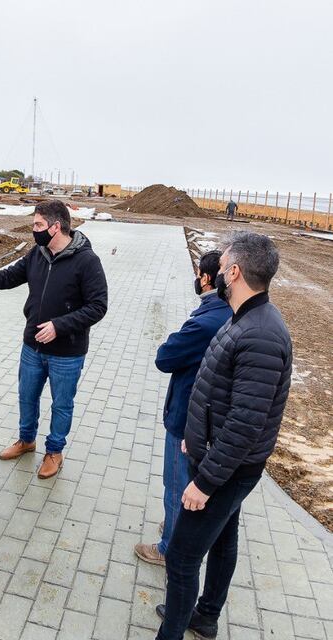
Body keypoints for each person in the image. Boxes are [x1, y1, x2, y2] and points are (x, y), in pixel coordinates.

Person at [156, 232, 292, 640]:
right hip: (218, 459)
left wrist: (204, 481)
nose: (214, 273)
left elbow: (246, 425)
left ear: (233, 272)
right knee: (222, 538)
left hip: (226, 471)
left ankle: (174, 631)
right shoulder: (244, 317)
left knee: (181, 558)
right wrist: (195, 436)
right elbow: (224, 397)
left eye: (222, 266)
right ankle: (206, 615)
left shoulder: (261, 334)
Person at [0, 200, 107, 479]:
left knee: (62, 404)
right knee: (26, 396)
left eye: (38, 225)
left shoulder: (87, 261)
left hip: (67, 352)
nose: (34, 230)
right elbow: (8, 278)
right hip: (32, 346)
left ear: (56, 227)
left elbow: (98, 306)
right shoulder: (37, 254)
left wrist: (59, 326)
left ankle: (54, 451)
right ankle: (26, 440)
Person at [134, 251, 231, 567]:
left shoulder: (204, 322)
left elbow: (165, 358)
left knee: (176, 486)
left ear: (205, 278)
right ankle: (176, 527)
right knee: (183, 486)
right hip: (210, 420)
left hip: (187, 420)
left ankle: (168, 548)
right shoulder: (231, 312)